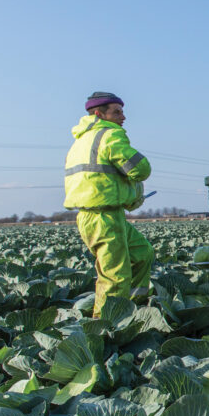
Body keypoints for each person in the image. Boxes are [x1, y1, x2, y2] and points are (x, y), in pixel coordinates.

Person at [64, 92, 153, 318]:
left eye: (122, 111)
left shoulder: (81, 140)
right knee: (115, 275)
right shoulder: (110, 136)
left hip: (104, 215)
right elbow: (141, 168)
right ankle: (106, 325)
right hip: (102, 217)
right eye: (116, 111)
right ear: (98, 114)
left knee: (143, 253)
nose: (123, 116)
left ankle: (133, 307)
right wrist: (134, 184)